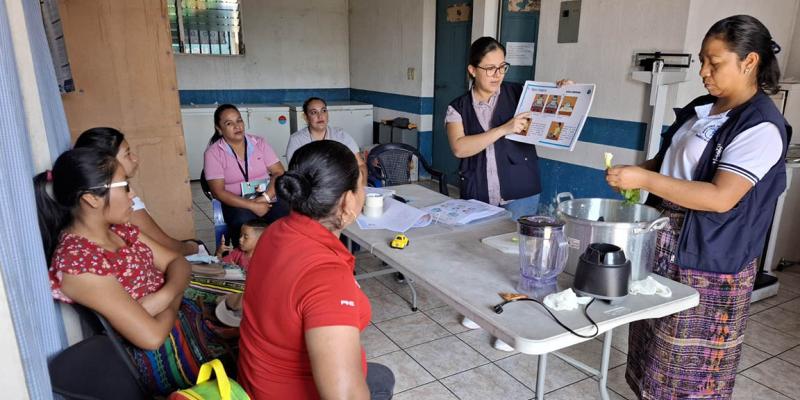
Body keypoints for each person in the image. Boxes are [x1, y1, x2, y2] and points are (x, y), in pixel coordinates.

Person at [606, 15, 791, 399]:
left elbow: (720, 197)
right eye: (702, 61)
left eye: (715, 62)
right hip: (664, 240)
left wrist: (645, 181)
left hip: (708, 258)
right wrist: (636, 172)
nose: (704, 72)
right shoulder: (703, 108)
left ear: (749, 61)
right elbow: (669, 159)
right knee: (651, 345)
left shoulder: (761, 126)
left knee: (688, 368)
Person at [35, 149, 237, 395]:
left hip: (181, 317)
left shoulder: (117, 230)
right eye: (125, 186)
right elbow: (151, 337)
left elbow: (178, 262)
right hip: (161, 355)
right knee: (258, 350)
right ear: (92, 199)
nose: (132, 195)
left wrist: (162, 297)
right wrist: (174, 293)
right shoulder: (77, 265)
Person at [238, 140, 394, 399]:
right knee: (379, 380)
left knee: (381, 376)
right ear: (347, 201)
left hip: (257, 382)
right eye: (361, 184)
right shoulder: (327, 277)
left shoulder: (275, 231)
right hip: (285, 390)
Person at [446, 36, 572, 220]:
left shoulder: (522, 94)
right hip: (478, 191)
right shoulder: (457, 107)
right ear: (472, 70)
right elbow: (459, 147)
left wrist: (563, 92)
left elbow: (553, 115)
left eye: (502, 67)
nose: (497, 74)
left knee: (516, 245)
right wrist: (503, 129)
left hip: (521, 192)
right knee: (478, 247)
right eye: (490, 69)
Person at [74, 127, 202, 256]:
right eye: (127, 154)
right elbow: (164, 244)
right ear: (106, 162)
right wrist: (195, 247)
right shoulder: (121, 205)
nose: (135, 158)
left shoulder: (120, 201)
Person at [204, 104, 289, 247]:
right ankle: (251, 260)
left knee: (287, 216)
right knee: (246, 224)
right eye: (229, 123)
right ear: (219, 129)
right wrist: (252, 205)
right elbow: (218, 192)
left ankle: (281, 256)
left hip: (266, 196)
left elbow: (279, 172)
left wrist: (265, 197)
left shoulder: (259, 143)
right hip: (236, 202)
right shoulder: (213, 153)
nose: (237, 126)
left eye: (239, 120)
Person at [285, 97, 360, 163]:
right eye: (314, 112)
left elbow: (360, 164)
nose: (320, 116)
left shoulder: (341, 136)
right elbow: (295, 172)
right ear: (306, 117)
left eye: (323, 111)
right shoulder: (297, 140)